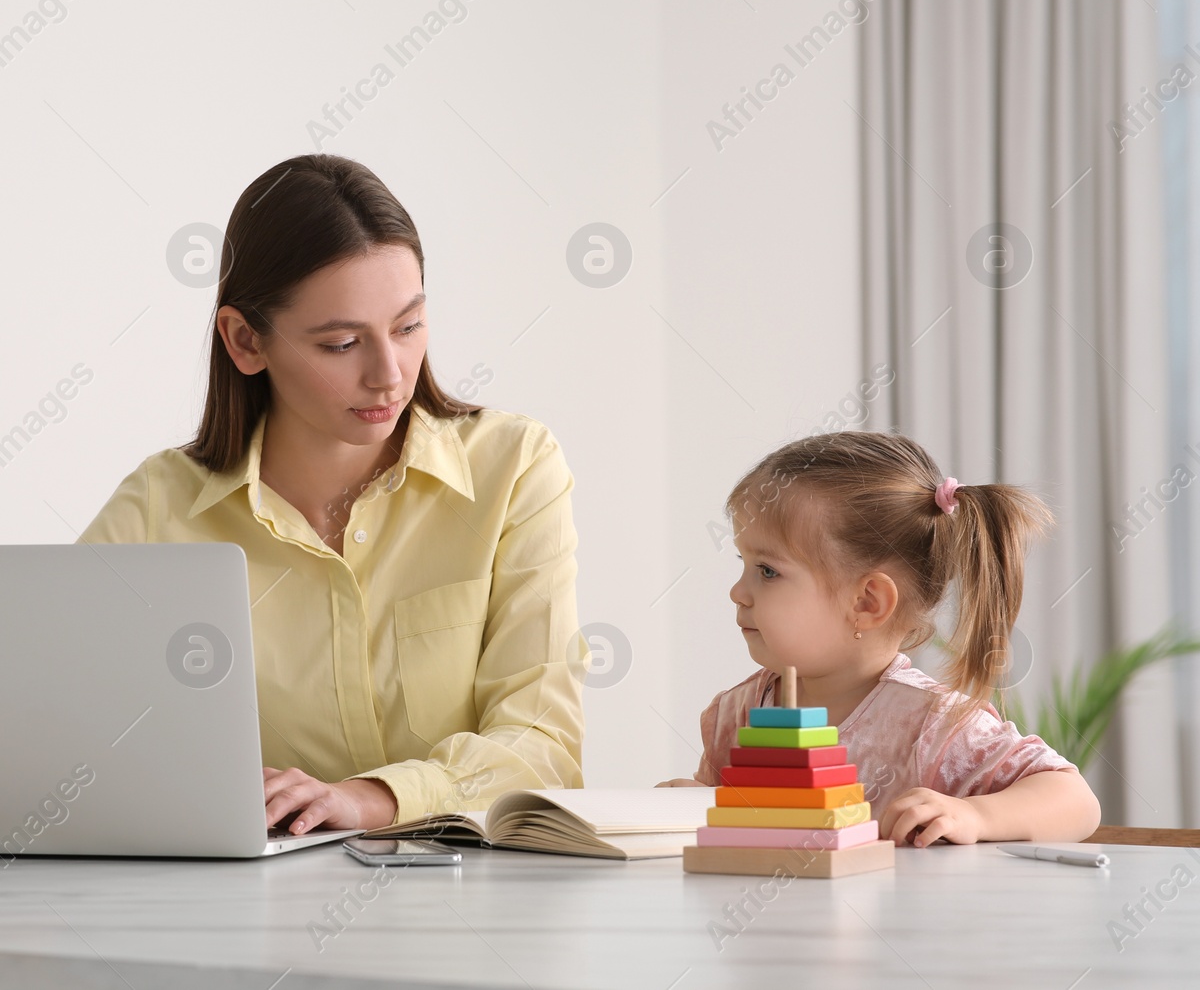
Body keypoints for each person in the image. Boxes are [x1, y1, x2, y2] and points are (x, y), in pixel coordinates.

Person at [78, 154, 585, 835]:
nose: (390, 374)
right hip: (250, 914)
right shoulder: (156, 508)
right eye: (342, 343)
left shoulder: (515, 466)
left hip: (471, 909)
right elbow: (62, 724)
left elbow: (544, 749)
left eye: (409, 326)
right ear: (245, 340)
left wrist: (370, 798)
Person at [660, 431, 1101, 847]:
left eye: (768, 571)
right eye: (744, 563)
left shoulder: (931, 726)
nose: (738, 592)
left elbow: (1076, 801)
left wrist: (976, 816)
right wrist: (694, 807)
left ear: (868, 602)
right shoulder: (733, 716)